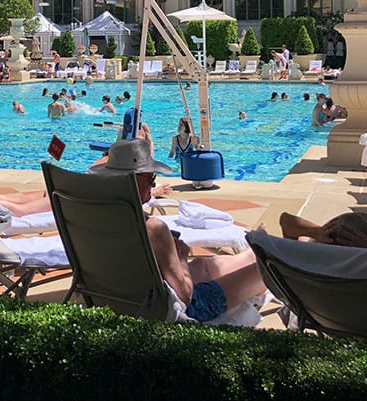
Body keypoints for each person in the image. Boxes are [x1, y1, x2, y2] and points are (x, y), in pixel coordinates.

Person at [92, 138, 266, 323]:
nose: (153, 187)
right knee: (263, 271)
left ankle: (253, 252)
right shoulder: (153, 229)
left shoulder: (95, 217)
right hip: (168, 307)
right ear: (133, 181)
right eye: (151, 180)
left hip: (116, 297)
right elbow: (185, 297)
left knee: (202, 265)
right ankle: (267, 256)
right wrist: (181, 256)